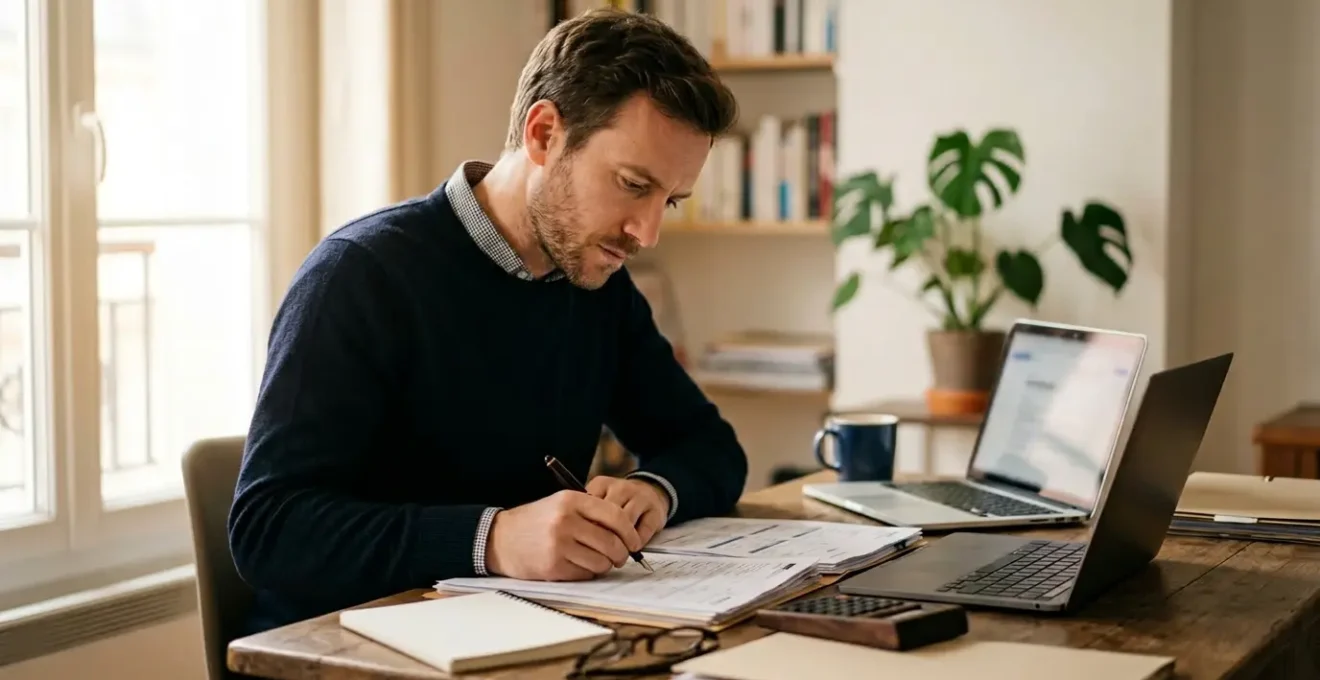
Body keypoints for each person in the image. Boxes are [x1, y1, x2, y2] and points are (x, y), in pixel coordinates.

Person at [227, 8, 748, 634]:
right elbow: (269, 529)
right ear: (544, 133)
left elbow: (710, 446)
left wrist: (655, 491)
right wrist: (492, 538)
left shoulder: (595, 284)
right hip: (352, 651)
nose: (648, 231)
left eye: (668, 200)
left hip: (525, 636)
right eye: (632, 184)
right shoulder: (359, 275)